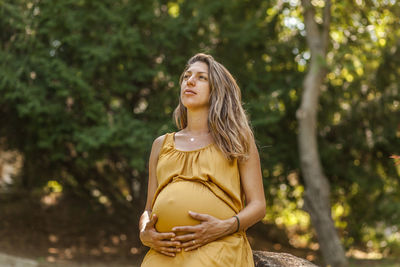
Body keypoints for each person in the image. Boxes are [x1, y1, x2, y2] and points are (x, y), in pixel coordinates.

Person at [139, 53, 266, 267]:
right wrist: (144, 232)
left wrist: (226, 226)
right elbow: (149, 209)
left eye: (201, 78)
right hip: (165, 251)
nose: (189, 81)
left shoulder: (236, 140)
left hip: (217, 245)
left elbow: (258, 205)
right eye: (186, 76)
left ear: (217, 90)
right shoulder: (161, 144)